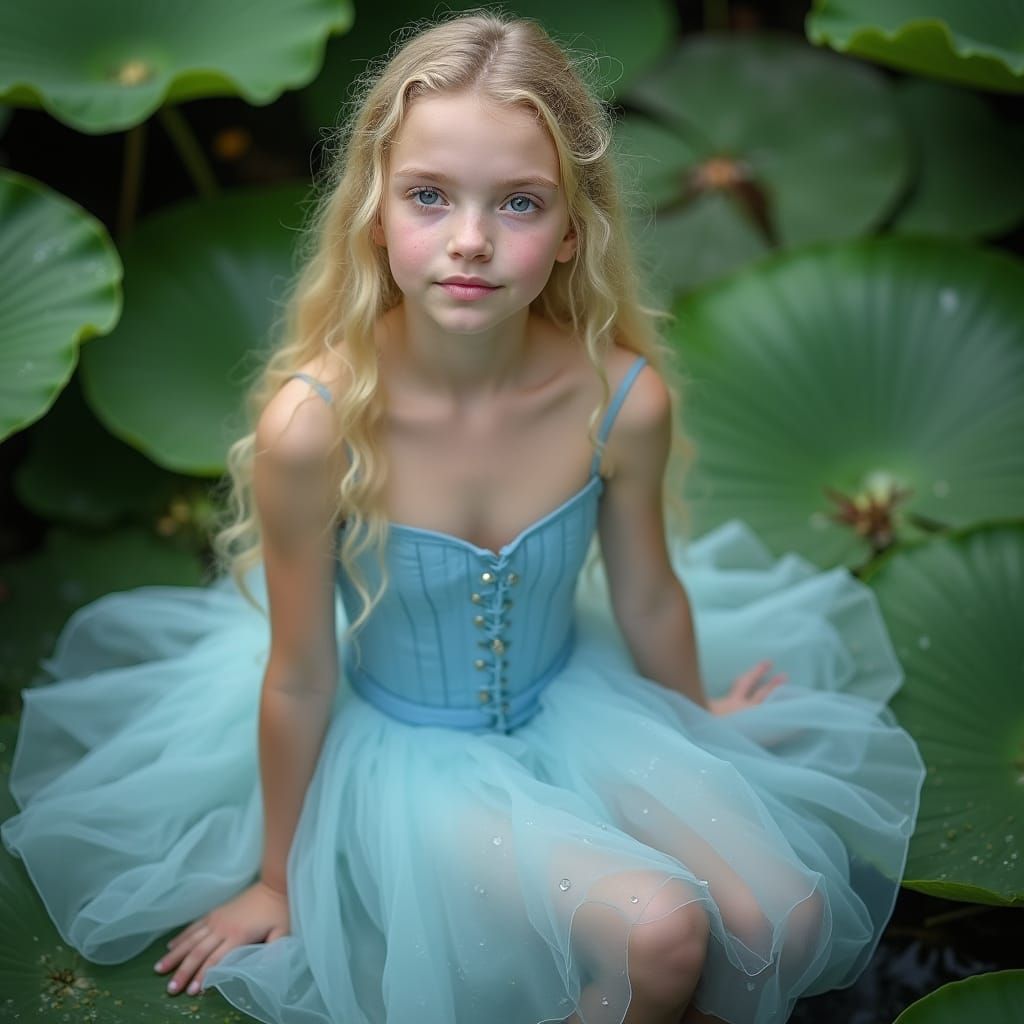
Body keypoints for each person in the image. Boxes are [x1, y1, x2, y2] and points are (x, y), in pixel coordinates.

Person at [2, 11, 925, 1024]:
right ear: (373, 211)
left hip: (573, 692)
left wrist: (697, 730)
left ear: (574, 228)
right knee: (661, 929)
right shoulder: (316, 426)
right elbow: (302, 672)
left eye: (519, 203)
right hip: (400, 743)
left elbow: (649, 595)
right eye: (429, 197)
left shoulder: (618, 398)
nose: (471, 241)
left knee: (784, 920)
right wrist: (278, 875)